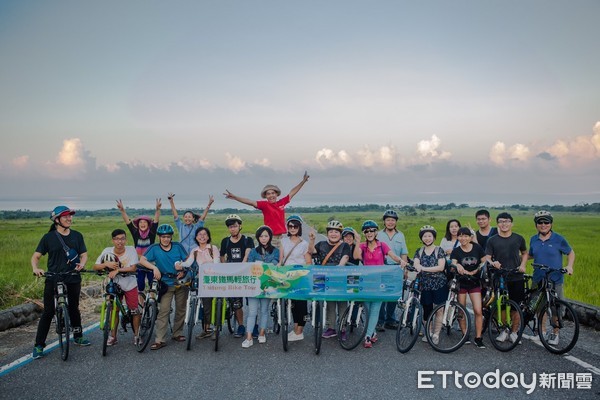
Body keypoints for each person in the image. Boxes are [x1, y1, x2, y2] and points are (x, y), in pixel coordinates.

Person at [31, 206, 90, 359]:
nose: (69, 219)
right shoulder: (48, 237)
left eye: (70, 216)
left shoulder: (77, 236)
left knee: (74, 308)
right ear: (56, 220)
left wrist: (82, 264)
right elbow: (36, 256)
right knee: (48, 312)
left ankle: (78, 336)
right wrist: (36, 268)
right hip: (53, 277)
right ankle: (38, 345)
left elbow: (84, 255)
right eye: (65, 217)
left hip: (72, 277)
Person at [353, 220, 406, 348]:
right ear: (364, 233)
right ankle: (373, 333)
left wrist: (401, 262)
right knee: (368, 310)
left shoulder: (382, 245)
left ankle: (367, 336)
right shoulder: (362, 246)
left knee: (375, 309)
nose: (369, 233)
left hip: (379, 283)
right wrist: (357, 241)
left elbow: (393, 256)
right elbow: (356, 257)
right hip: (366, 282)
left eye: (372, 230)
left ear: (376, 232)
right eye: (367, 231)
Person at [223, 171, 310, 248]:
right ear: (265, 196)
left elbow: (292, 193)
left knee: (281, 260)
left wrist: (303, 181)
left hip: (282, 237)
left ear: (276, 194)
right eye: (268, 194)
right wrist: (235, 197)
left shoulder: (281, 203)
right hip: (271, 238)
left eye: (273, 193)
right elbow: (250, 201)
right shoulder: (264, 205)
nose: (271, 195)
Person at [526, 210, 575, 345]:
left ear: (551, 224)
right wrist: (516, 257)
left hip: (555, 279)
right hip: (538, 278)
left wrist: (569, 266)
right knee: (539, 307)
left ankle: (555, 333)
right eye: (540, 222)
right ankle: (540, 332)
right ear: (536, 225)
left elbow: (570, 253)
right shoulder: (533, 239)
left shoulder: (559, 239)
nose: (543, 225)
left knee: (555, 308)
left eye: (546, 222)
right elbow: (530, 254)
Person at [139, 224, 189, 350]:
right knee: (163, 311)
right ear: (159, 237)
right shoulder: (154, 248)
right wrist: (154, 267)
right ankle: (160, 339)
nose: (166, 239)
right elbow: (142, 260)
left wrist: (183, 269)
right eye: (163, 237)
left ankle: (177, 333)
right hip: (165, 284)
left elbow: (188, 260)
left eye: (168, 237)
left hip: (180, 282)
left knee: (180, 309)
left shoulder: (178, 246)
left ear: (171, 237)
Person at [485, 212, 527, 344]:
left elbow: (525, 253)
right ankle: (504, 330)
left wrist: (523, 265)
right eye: (501, 221)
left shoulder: (518, 238)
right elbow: (487, 256)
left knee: (516, 306)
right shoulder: (492, 240)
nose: (504, 224)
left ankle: (514, 332)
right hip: (500, 276)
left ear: (511, 223)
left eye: (507, 221)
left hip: (516, 276)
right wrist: (493, 263)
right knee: (501, 306)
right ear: (497, 224)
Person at [93, 229, 140, 346]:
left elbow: (133, 268)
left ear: (126, 240)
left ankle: (137, 335)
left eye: (122, 239)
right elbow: (95, 266)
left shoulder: (131, 250)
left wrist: (118, 269)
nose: (120, 242)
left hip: (129, 284)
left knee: (134, 310)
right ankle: (113, 336)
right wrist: (105, 264)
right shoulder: (107, 251)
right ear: (113, 240)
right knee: (113, 309)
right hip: (113, 284)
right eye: (117, 239)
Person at [310, 220, 351, 338]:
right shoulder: (321, 244)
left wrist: (339, 267)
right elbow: (311, 251)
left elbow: (345, 257)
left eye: (336, 232)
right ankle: (331, 327)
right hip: (323, 277)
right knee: (330, 303)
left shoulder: (344, 245)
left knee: (343, 303)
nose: (333, 234)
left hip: (339, 277)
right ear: (327, 233)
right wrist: (312, 240)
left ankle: (343, 328)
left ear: (340, 234)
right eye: (331, 231)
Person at [179, 227, 220, 339]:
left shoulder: (213, 248)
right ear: (196, 237)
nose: (202, 236)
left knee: (216, 303)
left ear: (208, 237)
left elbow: (217, 262)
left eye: (205, 234)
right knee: (206, 305)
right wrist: (180, 264)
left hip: (215, 279)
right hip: (203, 280)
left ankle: (216, 328)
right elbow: (188, 263)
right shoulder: (195, 251)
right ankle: (206, 329)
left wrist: (209, 269)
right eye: (199, 235)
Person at [243, 226, 280, 348]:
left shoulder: (275, 251)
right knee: (252, 312)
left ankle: (262, 333)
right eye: (261, 236)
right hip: (254, 285)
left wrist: (263, 265)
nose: (264, 239)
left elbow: (275, 263)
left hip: (268, 285)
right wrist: (260, 265)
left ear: (270, 237)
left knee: (264, 311)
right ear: (258, 238)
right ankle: (248, 338)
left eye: (266, 236)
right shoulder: (253, 251)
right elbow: (249, 265)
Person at [450, 227, 486, 349]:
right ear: (458, 237)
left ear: (470, 237)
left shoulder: (477, 248)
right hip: (462, 283)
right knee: (462, 310)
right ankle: (464, 334)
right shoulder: (456, 251)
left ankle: (478, 337)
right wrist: (458, 264)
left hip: (475, 282)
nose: (463, 238)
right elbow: (453, 261)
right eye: (460, 236)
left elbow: (484, 260)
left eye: (466, 236)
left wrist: (478, 268)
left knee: (478, 310)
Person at [220, 214, 255, 338]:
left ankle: (254, 325)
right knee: (236, 303)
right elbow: (222, 256)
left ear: (240, 226)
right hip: (233, 275)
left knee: (252, 302)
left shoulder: (247, 240)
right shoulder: (225, 241)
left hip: (246, 273)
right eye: (230, 227)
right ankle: (240, 325)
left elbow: (248, 253)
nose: (232, 229)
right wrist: (225, 269)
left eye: (235, 226)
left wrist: (242, 266)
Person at [279, 215, 313, 342]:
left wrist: (303, 272)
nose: (292, 228)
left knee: (301, 303)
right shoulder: (283, 241)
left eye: (295, 226)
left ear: (299, 228)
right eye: (290, 226)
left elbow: (308, 261)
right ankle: (295, 329)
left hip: (300, 275)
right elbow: (281, 260)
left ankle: (300, 331)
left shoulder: (304, 244)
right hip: (288, 275)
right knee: (292, 303)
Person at [116, 198, 162, 292]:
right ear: (138, 224)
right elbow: (128, 222)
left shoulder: (152, 232)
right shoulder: (135, 232)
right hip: (138, 263)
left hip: (150, 262)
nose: (143, 224)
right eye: (141, 222)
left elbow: (156, 221)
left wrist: (157, 210)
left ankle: (152, 302)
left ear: (148, 224)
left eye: (145, 222)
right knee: (140, 285)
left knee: (151, 284)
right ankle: (141, 305)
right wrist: (122, 210)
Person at [412, 225, 447, 345]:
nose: (427, 238)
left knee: (439, 309)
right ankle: (428, 332)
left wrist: (424, 268)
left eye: (429, 236)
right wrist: (418, 267)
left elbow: (441, 267)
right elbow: (416, 263)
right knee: (426, 309)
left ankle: (436, 334)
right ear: (422, 238)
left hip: (439, 284)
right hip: (424, 284)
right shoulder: (419, 251)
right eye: (425, 236)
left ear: (434, 237)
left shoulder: (439, 250)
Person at [376, 209, 408, 331]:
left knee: (393, 295)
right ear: (384, 221)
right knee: (382, 294)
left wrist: (405, 270)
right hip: (382, 267)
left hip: (396, 267)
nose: (390, 222)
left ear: (396, 222)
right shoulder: (378, 234)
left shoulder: (400, 235)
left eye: (393, 220)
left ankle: (390, 319)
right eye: (388, 220)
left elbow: (404, 252)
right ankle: (380, 320)